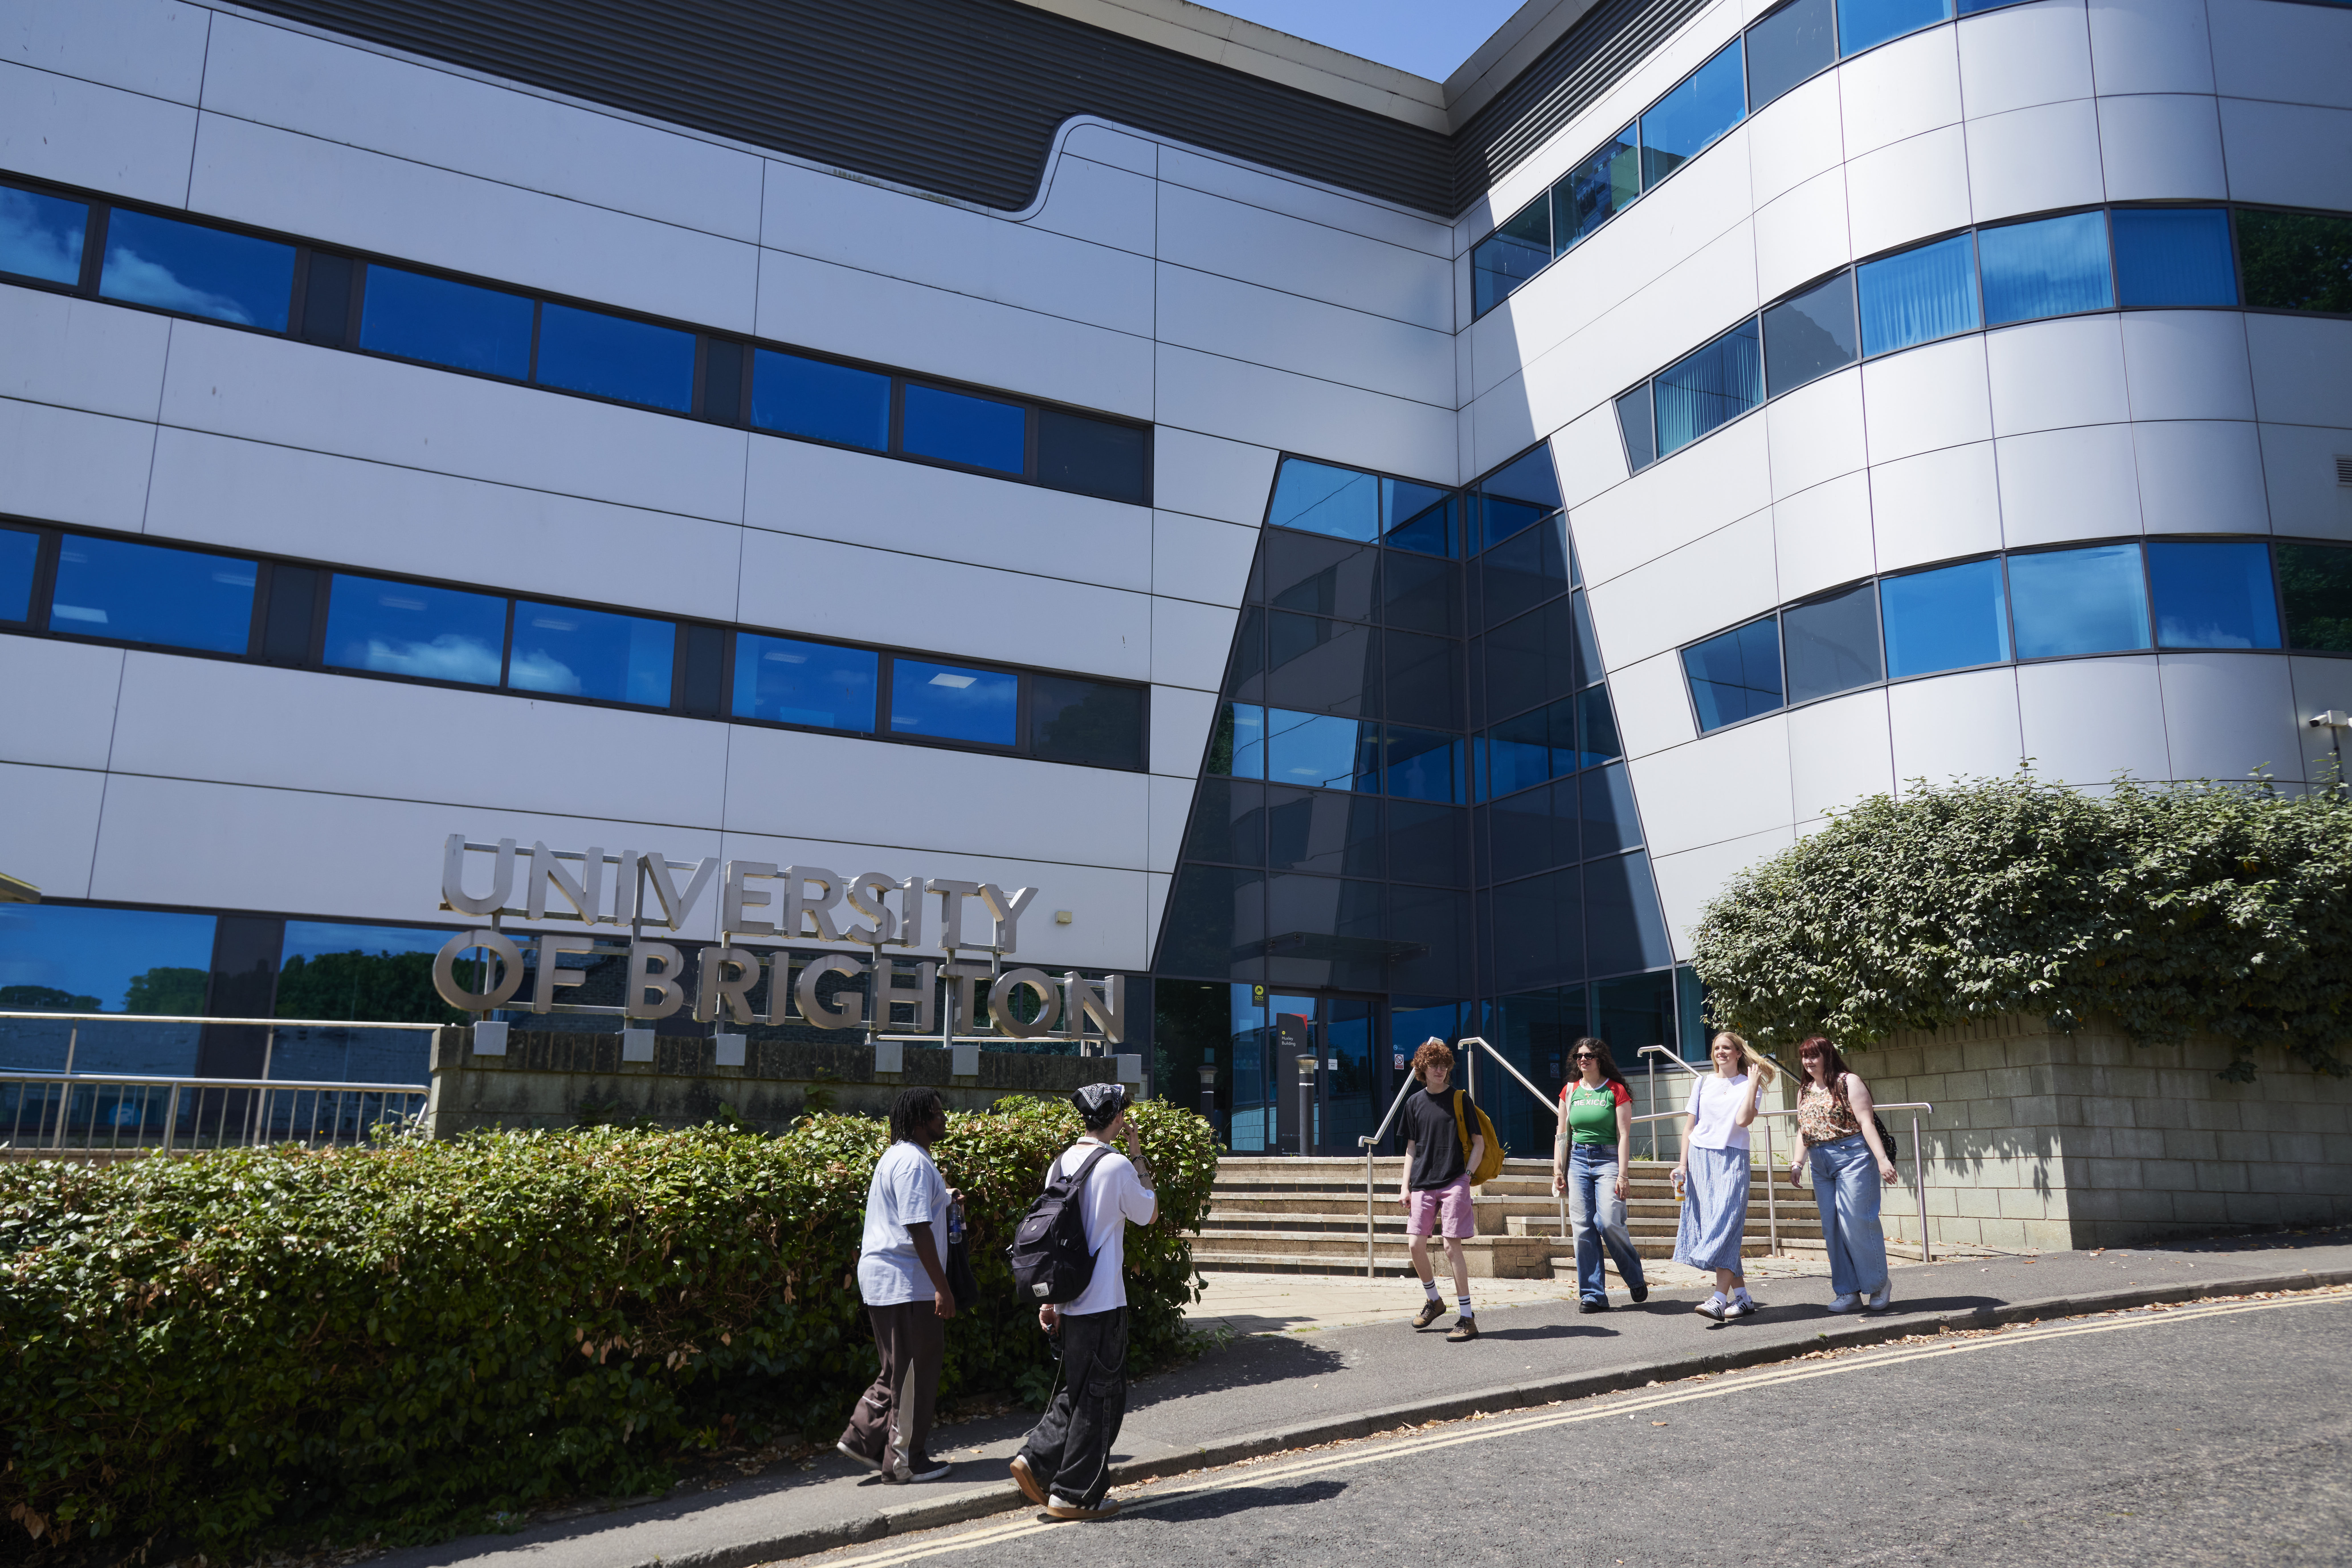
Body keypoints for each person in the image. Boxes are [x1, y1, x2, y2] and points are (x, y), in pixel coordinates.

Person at [1010, 1082, 1157, 1522]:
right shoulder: (1116, 1167)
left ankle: (1036, 1459)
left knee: (1079, 1390)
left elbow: (1056, 1238)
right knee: (1102, 1399)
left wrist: (1051, 1301)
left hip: (1069, 1299)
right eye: (1124, 1115)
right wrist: (1138, 1155)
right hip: (1103, 1302)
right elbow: (1149, 1213)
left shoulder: (1060, 1163)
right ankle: (1074, 1495)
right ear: (1116, 1118)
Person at [838, 1086, 961, 1483]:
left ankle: (863, 1440)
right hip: (907, 1281)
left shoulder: (901, 1158)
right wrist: (942, 1287)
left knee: (897, 1367)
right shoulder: (912, 1162)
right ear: (919, 1120)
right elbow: (915, 1226)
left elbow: (915, 1211)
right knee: (915, 1373)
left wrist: (945, 1198)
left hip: (890, 1279)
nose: (945, 1119)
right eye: (938, 1114)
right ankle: (906, 1460)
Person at [1786, 1035, 1898, 1313]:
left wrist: (1882, 1160)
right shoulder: (1805, 1089)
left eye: (1814, 1055)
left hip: (1853, 1157)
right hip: (1821, 1164)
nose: (1808, 1061)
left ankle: (1878, 1284)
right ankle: (1847, 1291)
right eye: (1804, 1056)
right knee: (1833, 1228)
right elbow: (1805, 1129)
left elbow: (1866, 1122)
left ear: (1827, 1056)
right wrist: (1797, 1162)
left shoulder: (1849, 1082)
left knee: (1856, 1222)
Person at [1672, 1032, 1771, 1321]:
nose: (1721, 1052)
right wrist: (1683, 1164)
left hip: (1732, 1157)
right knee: (1718, 1226)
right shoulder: (1702, 1082)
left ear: (1739, 1052)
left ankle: (1718, 1298)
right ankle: (1742, 1298)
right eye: (1717, 1048)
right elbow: (1690, 1126)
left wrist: (1753, 1084)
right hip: (1701, 1158)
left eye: (1727, 1048)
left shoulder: (1750, 1085)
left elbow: (1743, 1120)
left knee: (1725, 1224)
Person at [1396, 1038, 1484, 1342]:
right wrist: (1405, 1185)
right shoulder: (1414, 1103)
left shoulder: (1461, 1099)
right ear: (1422, 1068)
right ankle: (1435, 1300)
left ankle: (1468, 1317)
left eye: (1445, 1064)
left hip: (1454, 1181)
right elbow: (1411, 1148)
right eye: (1434, 1065)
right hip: (1422, 1182)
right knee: (1414, 1244)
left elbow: (1479, 1142)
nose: (1440, 1069)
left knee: (1451, 1246)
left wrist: (1467, 1176)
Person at [1552, 1037, 1648, 1312]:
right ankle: (1593, 1295)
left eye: (1590, 1056)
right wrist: (1558, 1169)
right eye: (1579, 1056)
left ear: (1600, 1059)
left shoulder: (1615, 1090)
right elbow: (1562, 1133)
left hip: (1607, 1160)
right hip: (1579, 1161)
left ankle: (1634, 1276)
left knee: (1608, 1221)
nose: (1583, 1060)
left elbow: (1624, 1135)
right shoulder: (1570, 1091)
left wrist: (1623, 1175)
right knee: (1582, 1228)